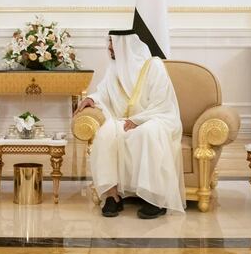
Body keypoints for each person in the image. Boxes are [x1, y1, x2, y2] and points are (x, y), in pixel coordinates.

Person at [76, 30, 185, 219]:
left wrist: (138, 120)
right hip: (124, 121)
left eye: (112, 42)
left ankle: (154, 198)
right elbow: (103, 93)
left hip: (157, 119)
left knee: (148, 133)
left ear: (125, 44)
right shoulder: (114, 69)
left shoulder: (154, 66)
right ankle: (112, 196)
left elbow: (162, 104)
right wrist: (92, 100)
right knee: (106, 132)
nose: (109, 47)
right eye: (109, 42)